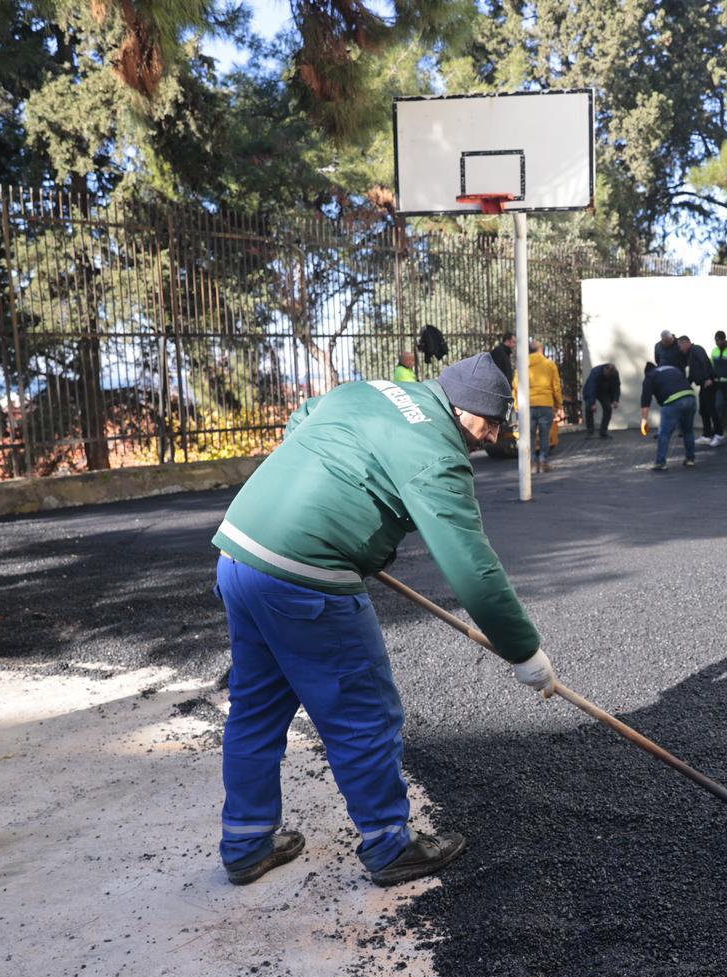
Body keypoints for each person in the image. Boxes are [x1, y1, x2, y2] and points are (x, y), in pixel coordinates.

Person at [211, 353, 558, 888]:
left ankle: (245, 842)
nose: (488, 440)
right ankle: (390, 845)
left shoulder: (367, 391)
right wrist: (524, 652)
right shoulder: (436, 453)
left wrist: (338, 498)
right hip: (306, 578)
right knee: (363, 713)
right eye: (488, 426)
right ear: (466, 412)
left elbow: (301, 420)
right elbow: (471, 565)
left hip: (238, 551)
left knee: (257, 704)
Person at [640, 360, 697, 472]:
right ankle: (690, 459)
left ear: (646, 372)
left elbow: (645, 402)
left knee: (664, 433)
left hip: (673, 401)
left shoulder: (650, 377)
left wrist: (644, 420)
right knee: (688, 431)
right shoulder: (672, 369)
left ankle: (661, 463)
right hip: (690, 397)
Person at [517, 339, 564, 473]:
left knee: (529, 435)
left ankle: (531, 463)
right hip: (545, 404)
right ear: (541, 350)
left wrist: (516, 404)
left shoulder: (522, 365)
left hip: (528, 405)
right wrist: (559, 404)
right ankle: (543, 461)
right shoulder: (549, 364)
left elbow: (516, 385)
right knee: (544, 434)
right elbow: (556, 387)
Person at [678, 335, 720, 444]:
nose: (680, 349)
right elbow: (693, 373)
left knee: (711, 410)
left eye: (680, 346)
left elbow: (705, 362)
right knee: (703, 411)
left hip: (709, 383)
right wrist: (685, 385)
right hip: (703, 385)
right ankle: (707, 435)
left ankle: (719, 435)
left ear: (685, 342)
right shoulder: (690, 354)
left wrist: (708, 379)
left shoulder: (697, 349)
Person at [580, 363, 620, 438]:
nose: (608, 377)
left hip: (604, 392)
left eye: (610, 376)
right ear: (605, 369)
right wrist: (592, 403)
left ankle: (603, 431)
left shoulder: (614, 374)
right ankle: (590, 431)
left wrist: (616, 399)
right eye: (608, 375)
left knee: (608, 408)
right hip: (592, 390)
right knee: (589, 407)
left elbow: (617, 386)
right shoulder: (595, 372)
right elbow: (591, 388)